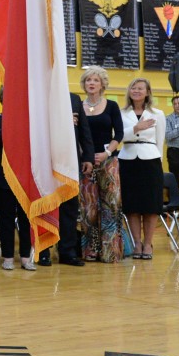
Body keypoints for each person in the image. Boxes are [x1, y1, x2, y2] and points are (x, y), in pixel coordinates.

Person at [38, 93, 94, 267]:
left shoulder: (74, 99)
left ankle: (67, 252)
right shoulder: (38, 94)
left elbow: (84, 129)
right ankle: (44, 251)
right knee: (46, 206)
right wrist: (62, 120)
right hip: (44, 160)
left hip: (69, 162)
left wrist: (88, 157)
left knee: (69, 208)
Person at [0, 86, 35, 271]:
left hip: (25, 175)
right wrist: (10, 123)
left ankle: (24, 257)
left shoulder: (30, 120)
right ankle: (7, 256)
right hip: (3, 176)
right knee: (5, 217)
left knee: (25, 218)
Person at [79, 66, 124, 263]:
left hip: (108, 162)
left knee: (110, 206)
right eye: (88, 80)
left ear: (102, 84)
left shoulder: (112, 105)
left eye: (95, 80)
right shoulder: (77, 107)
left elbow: (119, 134)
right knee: (89, 209)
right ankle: (91, 249)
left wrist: (106, 153)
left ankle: (110, 251)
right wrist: (86, 155)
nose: (91, 83)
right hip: (86, 163)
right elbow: (75, 135)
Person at [119, 78, 165, 260]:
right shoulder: (121, 112)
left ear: (147, 92)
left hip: (150, 160)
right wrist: (136, 128)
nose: (136, 91)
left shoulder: (158, 113)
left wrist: (159, 160)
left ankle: (148, 243)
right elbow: (118, 136)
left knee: (150, 205)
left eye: (140, 88)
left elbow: (160, 140)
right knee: (132, 205)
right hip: (127, 159)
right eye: (133, 88)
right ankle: (136, 243)